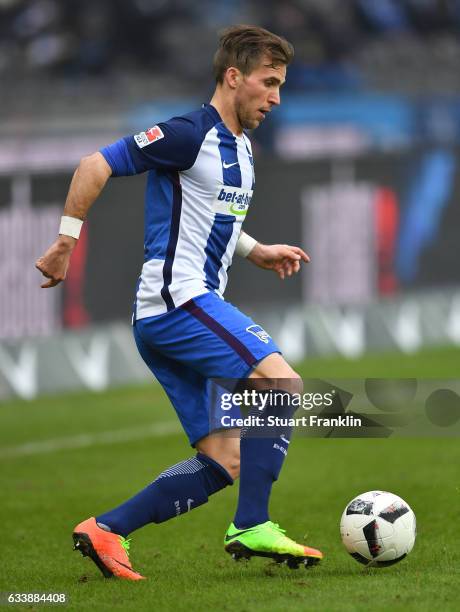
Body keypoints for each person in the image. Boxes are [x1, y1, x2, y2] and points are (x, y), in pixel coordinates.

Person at [36, 24, 323, 581]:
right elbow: (95, 164)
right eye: (268, 83)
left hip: (169, 316)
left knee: (223, 460)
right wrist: (66, 239)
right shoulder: (189, 133)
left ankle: (106, 529)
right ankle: (252, 525)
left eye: (281, 85)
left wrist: (256, 249)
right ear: (233, 77)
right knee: (281, 384)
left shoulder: (241, 148)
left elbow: (210, 218)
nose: (276, 97)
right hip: (176, 304)